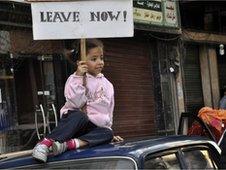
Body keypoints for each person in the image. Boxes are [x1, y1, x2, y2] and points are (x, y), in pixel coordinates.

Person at [32, 39, 122, 163]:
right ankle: (45, 144)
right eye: (94, 59)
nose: (100, 62)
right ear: (81, 63)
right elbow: (76, 103)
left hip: (92, 129)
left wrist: (108, 133)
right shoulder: (74, 79)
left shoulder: (108, 85)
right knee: (81, 116)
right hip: (75, 123)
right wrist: (80, 77)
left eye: (101, 58)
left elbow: (109, 112)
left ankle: (67, 145)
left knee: (108, 132)